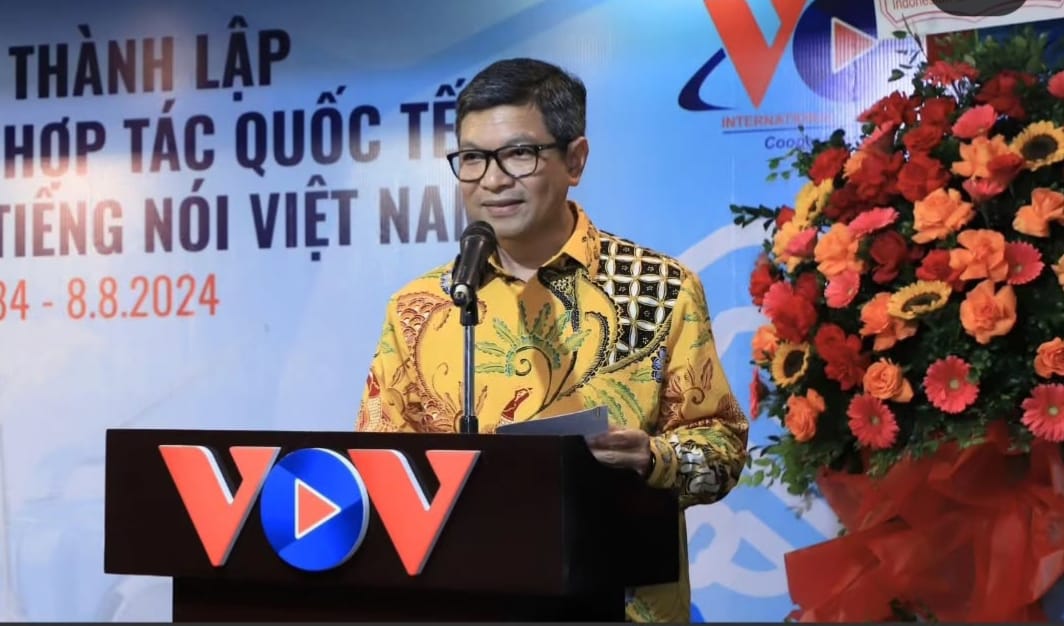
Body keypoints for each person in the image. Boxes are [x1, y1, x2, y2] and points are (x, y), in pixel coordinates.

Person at [356, 57, 749, 623]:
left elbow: (723, 448)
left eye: (519, 154)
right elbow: (378, 464)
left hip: (622, 605)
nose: (492, 180)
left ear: (575, 160)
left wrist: (655, 457)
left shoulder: (659, 288)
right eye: (472, 158)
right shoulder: (421, 306)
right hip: (465, 606)